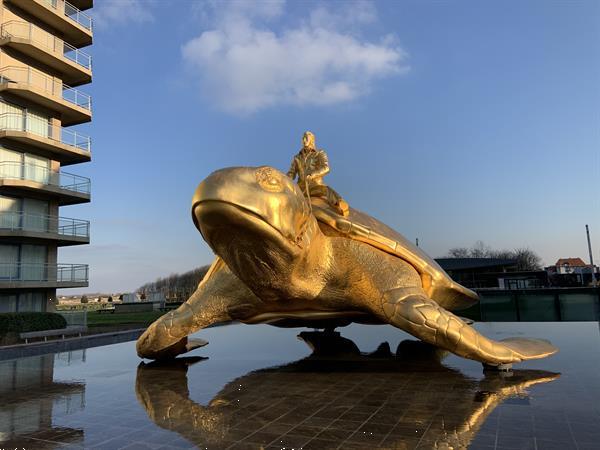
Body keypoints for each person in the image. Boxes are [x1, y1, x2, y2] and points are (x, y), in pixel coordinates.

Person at [287, 131, 349, 216]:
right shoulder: (297, 157)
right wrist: (284, 179)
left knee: (326, 190)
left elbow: (326, 168)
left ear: (311, 140)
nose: (304, 140)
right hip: (301, 188)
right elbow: (291, 173)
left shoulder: (319, 153)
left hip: (315, 185)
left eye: (306, 138)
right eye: (303, 138)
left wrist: (313, 175)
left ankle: (340, 203)